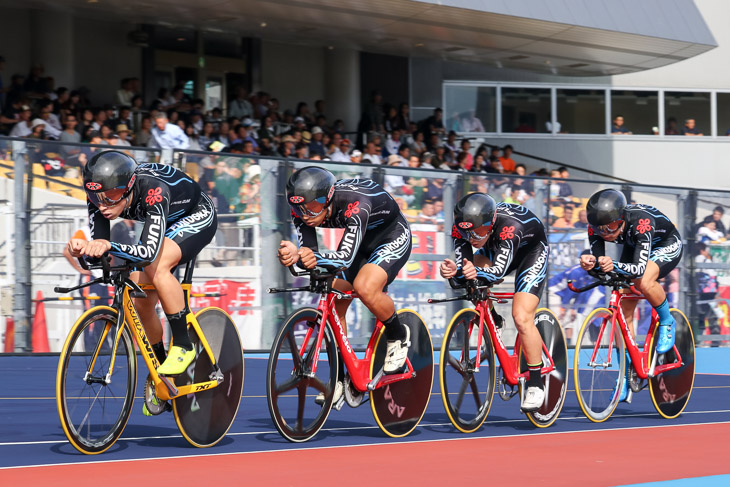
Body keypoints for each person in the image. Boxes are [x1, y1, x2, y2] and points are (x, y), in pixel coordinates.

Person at [66, 150, 218, 414]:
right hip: (164, 223)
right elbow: (99, 255)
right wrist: (83, 251)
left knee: (157, 268)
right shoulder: (100, 196)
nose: (103, 205)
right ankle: (163, 374)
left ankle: (183, 344)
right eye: (95, 197)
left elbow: (147, 253)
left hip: (195, 215)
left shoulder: (152, 190)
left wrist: (107, 245)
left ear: (129, 186)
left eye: (112, 196)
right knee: (141, 301)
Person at [278, 167, 413, 404]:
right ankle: (341, 377)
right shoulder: (301, 209)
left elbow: (344, 259)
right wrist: (296, 256)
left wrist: (304, 256)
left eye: (312, 207)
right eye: (299, 208)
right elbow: (312, 255)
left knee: (364, 286)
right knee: (335, 296)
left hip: (391, 235)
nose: (305, 214)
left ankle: (398, 335)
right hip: (362, 239)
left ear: (328, 198)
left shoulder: (355, 203)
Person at [439, 193, 550, 411]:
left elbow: (497, 273)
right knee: (471, 279)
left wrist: (470, 271)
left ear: (491, 223)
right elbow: (464, 270)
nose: (471, 237)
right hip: (496, 245)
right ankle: (494, 318)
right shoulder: (462, 228)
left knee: (521, 316)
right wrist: (454, 272)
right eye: (466, 232)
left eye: (478, 231)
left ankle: (536, 382)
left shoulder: (510, 226)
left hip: (530, 251)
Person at [580, 189, 682, 400]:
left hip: (664, 244)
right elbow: (600, 265)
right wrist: (590, 263)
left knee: (644, 280)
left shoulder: (641, 222)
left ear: (621, 219)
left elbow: (638, 269)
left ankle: (666, 321)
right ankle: (626, 374)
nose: (605, 233)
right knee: (623, 315)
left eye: (610, 227)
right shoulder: (596, 228)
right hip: (634, 244)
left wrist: (614, 264)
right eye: (599, 229)